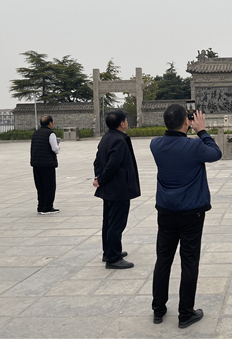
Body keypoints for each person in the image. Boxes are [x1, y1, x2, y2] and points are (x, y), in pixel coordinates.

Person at [150, 104, 222, 329]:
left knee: (163, 259)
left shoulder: (155, 144)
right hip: (192, 211)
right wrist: (201, 130)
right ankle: (185, 313)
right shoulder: (195, 146)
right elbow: (216, 153)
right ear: (186, 121)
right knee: (189, 261)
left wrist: (188, 128)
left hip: (166, 210)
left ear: (164, 122)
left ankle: (158, 308)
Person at [93, 110, 140, 269]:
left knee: (108, 221)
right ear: (121, 123)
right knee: (116, 223)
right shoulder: (119, 140)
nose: (126, 123)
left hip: (109, 188)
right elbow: (112, 165)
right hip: (118, 188)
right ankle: (113, 258)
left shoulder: (106, 138)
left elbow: (97, 161)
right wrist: (101, 179)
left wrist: (98, 177)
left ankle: (109, 252)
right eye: (125, 120)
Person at [31, 115, 60, 214]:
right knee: (49, 186)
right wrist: (58, 147)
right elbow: (55, 149)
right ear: (50, 123)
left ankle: (41, 206)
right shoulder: (50, 133)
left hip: (36, 163)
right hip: (47, 164)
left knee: (40, 186)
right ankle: (47, 207)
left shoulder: (35, 133)